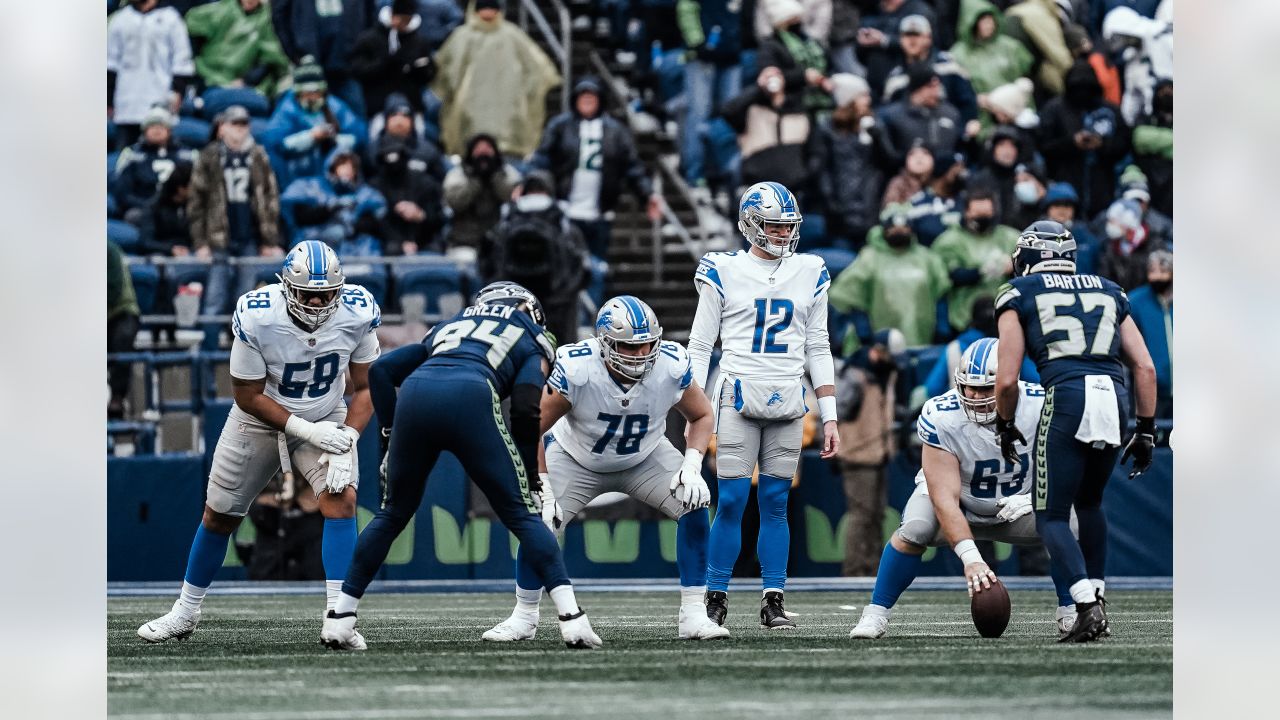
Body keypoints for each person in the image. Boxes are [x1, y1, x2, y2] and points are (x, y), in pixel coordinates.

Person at [321, 282, 603, 650]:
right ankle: (572, 619)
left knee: (391, 514)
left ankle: (340, 619)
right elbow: (525, 404)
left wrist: (390, 433)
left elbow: (381, 373)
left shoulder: (451, 324)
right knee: (523, 514)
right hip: (472, 394)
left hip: (417, 394)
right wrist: (532, 477)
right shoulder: (532, 333)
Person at [138, 242, 382, 646]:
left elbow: (367, 387)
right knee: (220, 515)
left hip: (325, 413)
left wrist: (349, 435)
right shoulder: (258, 315)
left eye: (326, 293)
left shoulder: (357, 311)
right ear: (287, 287)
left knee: (342, 499)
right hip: (259, 419)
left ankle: (339, 617)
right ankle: (185, 612)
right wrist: (307, 431)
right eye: (308, 293)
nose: (319, 303)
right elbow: (247, 395)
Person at [484, 296, 728, 642]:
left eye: (646, 346)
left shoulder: (671, 363)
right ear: (605, 343)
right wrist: (543, 483)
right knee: (540, 520)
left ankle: (693, 615)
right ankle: (524, 615)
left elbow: (702, 415)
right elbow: (531, 427)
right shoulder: (578, 367)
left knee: (694, 503)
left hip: (645, 455)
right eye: (630, 347)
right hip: (576, 458)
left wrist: (692, 464)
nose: (641, 355)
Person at [993, 220, 1158, 642]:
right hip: (1114, 395)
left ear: (1028, 255)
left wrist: (1006, 423)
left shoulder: (1018, 292)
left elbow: (1007, 379)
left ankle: (1085, 603)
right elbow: (1145, 366)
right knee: (1091, 503)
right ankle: (1097, 598)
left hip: (1068, 395)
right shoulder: (1108, 288)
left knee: (1051, 514)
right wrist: (1146, 429)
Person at [848, 338, 1079, 639]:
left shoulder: (1040, 405)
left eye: (985, 388)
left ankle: (1071, 610)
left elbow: (1066, 470)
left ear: (1009, 382)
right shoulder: (942, 415)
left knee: (1069, 523)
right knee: (915, 529)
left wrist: (1034, 500)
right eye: (969, 386)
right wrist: (971, 558)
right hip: (960, 504)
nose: (974, 395)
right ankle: (875, 613)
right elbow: (944, 497)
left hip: (1017, 504)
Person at [686, 181, 841, 629]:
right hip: (736, 394)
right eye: (772, 225)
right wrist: (695, 409)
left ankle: (773, 599)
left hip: (790, 397)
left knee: (775, 502)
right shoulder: (722, 269)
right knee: (731, 500)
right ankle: (715, 598)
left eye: (786, 226)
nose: (781, 234)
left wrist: (829, 416)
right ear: (750, 223)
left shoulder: (810, 270)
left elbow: (818, 345)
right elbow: (699, 344)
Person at [528, 77, 663, 261]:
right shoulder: (560, 126)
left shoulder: (616, 132)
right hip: (566, 209)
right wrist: (529, 184)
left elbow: (632, 167)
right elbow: (542, 158)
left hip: (600, 212)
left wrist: (647, 195)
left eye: (592, 96)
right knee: (566, 263)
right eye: (583, 96)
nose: (587, 100)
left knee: (597, 266)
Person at [190, 105, 284, 344]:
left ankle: (242, 359)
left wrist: (268, 240)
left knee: (245, 301)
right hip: (218, 238)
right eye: (234, 124)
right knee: (214, 299)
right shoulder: (209, 156)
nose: (239, 130)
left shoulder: (258, 156)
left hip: (249, 236)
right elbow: (196, 202)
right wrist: (201, 242)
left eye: (243, 125)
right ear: (222, 128)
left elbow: (269, 199)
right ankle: (208, 361)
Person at [431, 0, 561, 158]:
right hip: (469, 108)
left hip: (508, 109)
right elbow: (446, 72)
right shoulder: (461, 37)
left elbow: (537, 69)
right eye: (483, 8)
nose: (487, 13)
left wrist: (525, 92)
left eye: (491, 8)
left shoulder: (512, 35)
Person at [480, 170, 590, 345]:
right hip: (557, 308)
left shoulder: (505, 222)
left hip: (515, 308)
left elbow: (486, 265)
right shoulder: (565, 225)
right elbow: (583, 270)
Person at [828, 203, 951, 348]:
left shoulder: (928, 259)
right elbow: (853, 297)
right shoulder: (869, 258)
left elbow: (941, 294)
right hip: (880, 344)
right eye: (893, 227)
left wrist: (942, 328)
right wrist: (864, 332)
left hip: (923, 338)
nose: (899, 231)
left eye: (904, 227)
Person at [834, 328, 903, 577]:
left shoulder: (884, 374)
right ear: (879, 351)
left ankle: (873, 569)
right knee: (861, 516)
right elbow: (837, 411)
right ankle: (853, 571)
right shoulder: (854, 375)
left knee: (876, 516)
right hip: (858, 453)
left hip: (878, 453)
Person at [1037, 60, 1130, 219]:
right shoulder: (1054, 109)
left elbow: (1125, 143)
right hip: (1065, 186)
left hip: (1102, 187)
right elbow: (1043, 144)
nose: (1082, 92)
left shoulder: (1109, 110)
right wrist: (1071, 143)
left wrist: (1102, 144)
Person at [812, 73, 894, 249]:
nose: (868, 100)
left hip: (871, 209)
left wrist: (879, 139)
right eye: (862, 96)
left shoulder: (875, 126)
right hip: (840, 214)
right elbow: (822, 169)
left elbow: (889, 164)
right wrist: (831, 203)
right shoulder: (827, 129)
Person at [261, 58, 367, 189]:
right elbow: (273, 143)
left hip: (332, 180)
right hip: (296, 178)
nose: (312, 98)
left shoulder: (335, 106)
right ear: (298, 93)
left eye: (316, 92)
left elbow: (359, 136)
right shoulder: (287, 110)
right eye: (307, 93)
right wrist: (311, 137)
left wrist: (333, 140)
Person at [675, 0, 749, 189]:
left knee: (730, 117)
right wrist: (697, 42)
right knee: (699, 114)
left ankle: (726, 172)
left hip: (731, 57)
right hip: (702, 58)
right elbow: (686, 7)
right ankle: (695, 173)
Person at [932, 186, 1020, 332]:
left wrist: (1014, 267)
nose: (983, 217)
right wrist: (982, 271)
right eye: (978, 213)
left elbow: (1030, 271)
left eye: (987, 213)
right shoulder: (949, 240)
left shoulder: (1010, 237)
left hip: (1005, 316)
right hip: (963, 318)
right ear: (966, 212)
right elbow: (949, 277)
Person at [720, 66, 821, 194]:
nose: (772, 79)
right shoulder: (752, 112)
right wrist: (759, 88)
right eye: (767, 76)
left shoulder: (800, 114)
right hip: (759, 190)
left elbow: (816, 151)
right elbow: (728, 111)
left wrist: (804, 177)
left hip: (793, 191)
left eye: (777, 75)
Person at [108, 0, 195, 147]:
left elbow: (182, 60)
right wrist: (109, 100)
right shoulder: (120, 19)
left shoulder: (171, 18)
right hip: (127, 104)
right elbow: (110, 64)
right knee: (125, 158)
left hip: (160, 99)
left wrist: (177, 92)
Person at [271, 0, 375, 116]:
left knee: (355, 122)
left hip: (348, 66)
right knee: (307, 124)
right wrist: (295, 54)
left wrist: (360, 48)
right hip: (309, 67)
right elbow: (279, 16)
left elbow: (370, 13)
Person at [280, 151, 388, 255]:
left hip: (356, 252)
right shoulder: (311, 187)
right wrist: (329, 209)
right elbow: (301, 217)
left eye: (350, 166)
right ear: (332, 167)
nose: (346, 170)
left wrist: (352, 228)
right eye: (341, 164)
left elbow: (376, 221)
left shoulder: (366, 194)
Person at [880, 14, 979, 125]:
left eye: (917, 35)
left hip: (950, 131)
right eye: (907, 35)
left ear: (928, 38)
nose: (912, 40)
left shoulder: (948, 65)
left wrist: (961, 131)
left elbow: (967, 102)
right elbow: (889, 114)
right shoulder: (896, 77)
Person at [184, 0, 291, 98]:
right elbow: (192, 25)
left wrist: (246, 81)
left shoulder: (265, 19)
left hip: (245, 84)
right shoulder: (221, 10)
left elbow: (272, 59)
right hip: (209, 75)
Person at [349, 0, 436, 118]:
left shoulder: (418, 41)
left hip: (411, 106)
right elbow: (357, 69)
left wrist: (419, 70)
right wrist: (384, 62)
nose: (402, 23)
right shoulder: (370, 39)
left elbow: (430, 73)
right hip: (378, 106)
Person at [442, 133, 522, 258]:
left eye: (488, 149)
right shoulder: (458, 173)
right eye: (478, 149)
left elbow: (514, 198)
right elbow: (454, 202)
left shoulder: (506, 172)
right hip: (465, 242)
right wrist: (475, 181)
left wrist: (495, 177)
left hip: (499, 240)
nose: (483, 154)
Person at [113, 106, 196, 224]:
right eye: (152, 126)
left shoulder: (187, 154)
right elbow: (123, 192)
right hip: (143, 207)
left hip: (180, 208)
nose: (157, 130)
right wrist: (149, 206)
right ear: (144, 130)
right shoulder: (132, 155)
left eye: (161, 126)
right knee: (134, 216)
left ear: (169, 130)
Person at [949, 1, 1034, 115]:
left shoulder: (1010, 47)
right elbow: (954, 89)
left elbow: (1026, 72)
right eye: (984, 21)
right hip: (981, 114)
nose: (989, 25)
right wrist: (974, 98)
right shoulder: (958, 53)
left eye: (991, 20)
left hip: (1014, 110)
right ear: (973, 22)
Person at [369, 133, 445, 255]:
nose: (394, 163)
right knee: (391, 250)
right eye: (388, 156)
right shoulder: (375, 187)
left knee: (435, 252)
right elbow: (374, 222)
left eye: (398, 155)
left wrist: (421, 215)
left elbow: (438, 217)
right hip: (389, 242)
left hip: (424, 239)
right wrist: (400, 242)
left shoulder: (424, 182)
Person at [876, 64, 965, 166]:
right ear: (917, 89)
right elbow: (887, 156)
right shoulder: (891, 116)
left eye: (938, 86)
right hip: (905, 174)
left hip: (946, 175)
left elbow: (961, 147)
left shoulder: (951, 113)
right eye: (931, 87)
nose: (937, 92)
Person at [756, 0, 835, 115]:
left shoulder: (810, 42)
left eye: (798, 18)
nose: (798, 22)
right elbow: (772, 76)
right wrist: (803, 76)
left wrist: (824, 79)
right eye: (793, 19)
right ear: (782, 23)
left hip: (821, 103)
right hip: (790, 105)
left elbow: (829, 65)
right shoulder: (771, 46)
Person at [1127, 250, 1172, 418]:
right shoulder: (1136, 302)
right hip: (1151, 391)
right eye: (1152, 271)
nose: (1157, 277)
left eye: (1163, 271)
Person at [108, 241, 142, 420]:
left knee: (122, 340)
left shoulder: (110, 251)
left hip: (122, 311)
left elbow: (113, 290)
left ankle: (117, 397)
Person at [1042, 181, 1100, 275]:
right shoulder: (1035, 236)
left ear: (1074, 209)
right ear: (1048, 208)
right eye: (1057, 204)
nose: (1062, 209)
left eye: (1067, 205)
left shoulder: (1086, 237)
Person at [137, 161, 194, 256]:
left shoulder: (197, 207)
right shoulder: (153, 207)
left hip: (191, 254)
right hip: (163, 254)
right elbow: (146, 242)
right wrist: (170, 249)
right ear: (181, 189)